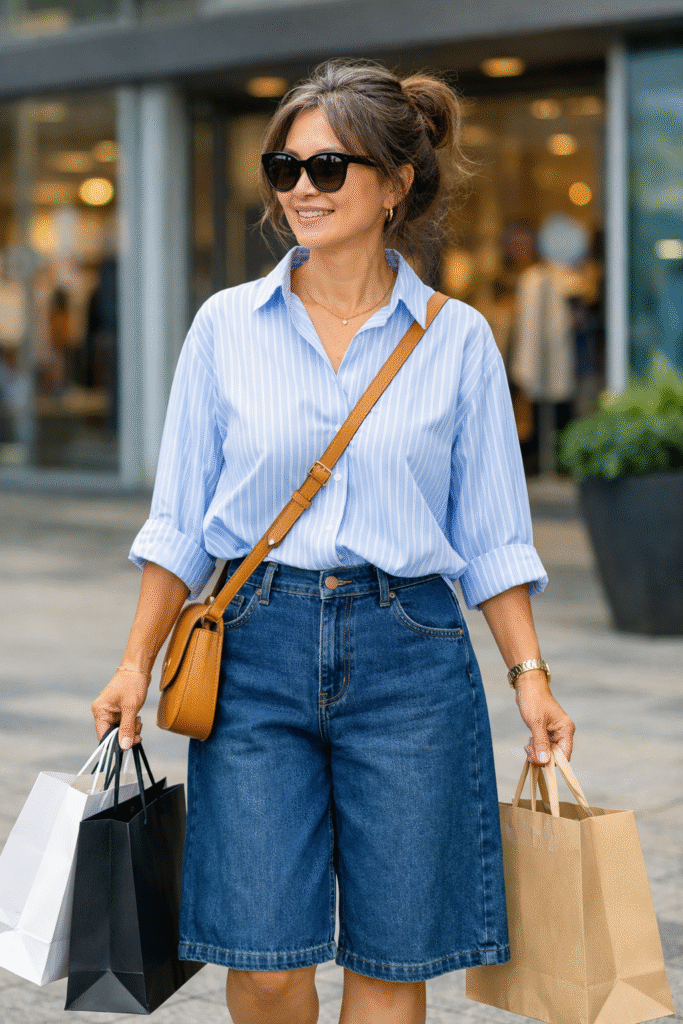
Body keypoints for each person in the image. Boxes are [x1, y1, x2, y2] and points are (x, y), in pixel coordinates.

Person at [92, 60, 575, 1024]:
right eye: (285, 168)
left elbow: (490, 535)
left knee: (391, 965)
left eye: (327, 168)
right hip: (252, 648)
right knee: (264, 960)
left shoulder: (459, 339)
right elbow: (181, 523)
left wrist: (530, 677)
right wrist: (132, 665)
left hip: (412, 657)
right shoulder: (225, 327)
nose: (301, 189)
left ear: (395, 182)